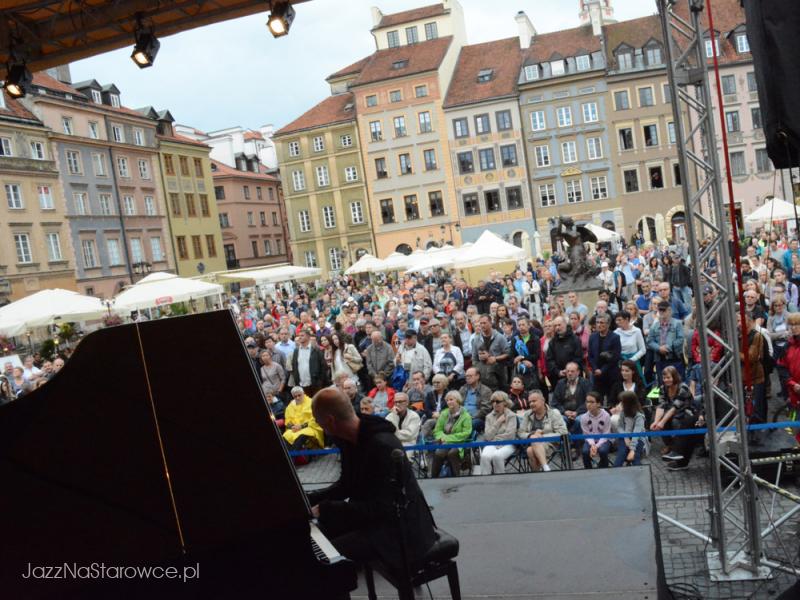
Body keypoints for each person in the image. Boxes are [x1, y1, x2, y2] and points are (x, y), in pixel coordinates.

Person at [307, 388, 436, 570]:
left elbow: (383, 509)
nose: (317, 424)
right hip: (378, 519)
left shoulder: (382, 446)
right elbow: (347, 485)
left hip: (403, 530)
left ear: (330, 420)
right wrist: (308, 499)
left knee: (324, 562)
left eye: (317, 420)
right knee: (319, 535)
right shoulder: (350, 438)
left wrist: (326, 508)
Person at [650, 366, 702, 470]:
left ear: (674, 377)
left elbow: (675, 407)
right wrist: (656, 421)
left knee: (673, 421)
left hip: (687, 413)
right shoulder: (662, 388)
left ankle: (679, 448)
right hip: (672, 413)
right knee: (663, 421)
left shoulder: (683, 387)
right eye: (664, 378)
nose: (666, 380)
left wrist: (662, 422)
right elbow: (661, 406)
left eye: (668, 377)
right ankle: (671, 446)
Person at [518, 390, 568, 472]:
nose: (531, 404)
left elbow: (563, 432)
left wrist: (542, 437)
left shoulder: (554, 413)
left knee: (532, 447)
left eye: (534, 401)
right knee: (530, 449)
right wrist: (530, 435)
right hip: (530, 444)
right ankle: (545, 468)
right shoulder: (527, 414)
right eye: (529, 402)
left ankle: (539, 472)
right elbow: (520, 433)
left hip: (550, 443)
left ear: (543, 400)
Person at [430, 391, 473, 477]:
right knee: (438, 453)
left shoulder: (466, 416)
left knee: (452, 453)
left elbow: (466, 433)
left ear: (458, 400)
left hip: (459, 443)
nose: (449, 402)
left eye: (451, 399)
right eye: (447, 400)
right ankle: (433, 478)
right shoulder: (444, 413)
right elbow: (437, 430)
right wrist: (442, 438)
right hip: (444, 442)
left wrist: (447, 438)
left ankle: (456, 477)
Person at [479, 391, 518, 475]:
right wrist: (498, 422)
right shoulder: (488, 417)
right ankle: (485, 479)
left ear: (505, 402)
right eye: (492, 401)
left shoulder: (511, 416)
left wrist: (494, 438)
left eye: (497, 401)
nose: (495, 404)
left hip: (508, 444)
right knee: (484, 456)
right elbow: (487, 436)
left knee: (497, 456)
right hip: (492, 443)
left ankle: (500, 479)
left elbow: (510, 435)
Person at [646, 301, 685, 383]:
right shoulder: (654, 325)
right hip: (660, 358)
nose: (661, 312)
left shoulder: (677, 323)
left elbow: (681, 339)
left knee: (677, 381)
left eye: (663, 310)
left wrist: (667, 348)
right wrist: (659, 348)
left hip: (675, 357)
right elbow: (649, 341)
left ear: (669, 310)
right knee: (662, 383)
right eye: (660, 310)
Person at [587, 313, 621, 405]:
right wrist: (595, 369)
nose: (599, 325)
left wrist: (602, 370)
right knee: (597, 400)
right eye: (597, 322)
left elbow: (615, 357)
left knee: (611, 401)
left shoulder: (615, 337)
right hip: (597, 375)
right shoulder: (592, 337)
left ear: (608, 324)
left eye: (602, 322)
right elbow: (590, 355)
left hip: (610, 374)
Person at [283, 386, 325, 452]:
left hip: (310, 427)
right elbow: (287, 421)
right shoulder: (290, 406)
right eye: (295, 396)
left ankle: (293, 455)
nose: (297, 398)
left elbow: (315, 419)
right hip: (294, 429)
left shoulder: (311, 402)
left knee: (301, 435)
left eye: (299, 395)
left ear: (303, 393)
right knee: (285, 436)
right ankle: (288, 455)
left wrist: (301, 426)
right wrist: (292, 427)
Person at [614, 391, 648, 467]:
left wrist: (632, 450)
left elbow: (636, 434)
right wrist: (625, 437)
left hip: (638, 439)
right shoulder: (623, 412)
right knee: (621, 455)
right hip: (625, 437)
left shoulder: (639, 416)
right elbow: (619, 426)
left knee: (635, 457)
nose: (620, 404)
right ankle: (615, 472)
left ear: (628, 403)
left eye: (622, 402)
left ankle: (639, 472)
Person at [292, 328, 328, 397]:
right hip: (301, 385)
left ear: (308, 337)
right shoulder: (296, 351)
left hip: (315, 385)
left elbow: (323, 366)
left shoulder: (316, 350)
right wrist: (296, 381)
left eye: (302, 335)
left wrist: (320, 382)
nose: (300, 337)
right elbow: (294, 366)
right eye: (299, 335)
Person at [580, 391, 612, 469]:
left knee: (603, 451)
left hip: (604, 439)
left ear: (598, 404)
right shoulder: (583, 417)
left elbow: (606, 434)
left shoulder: (606, 416)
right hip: (590, 440)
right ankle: (588, 470)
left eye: (592, 402)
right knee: (585, 452)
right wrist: (593, 445)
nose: (588, 404)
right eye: (587, 402)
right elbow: (586, 434)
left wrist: (596, 446)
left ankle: (603, 468)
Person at [458, 367, 493, 433]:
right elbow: (457, 404)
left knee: (470, 424)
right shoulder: (463, 389)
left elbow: (486, 409)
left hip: (477, 418)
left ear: (477, 376)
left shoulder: (486, 390)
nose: (467, 378)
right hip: (462, 416)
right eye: (466, 376)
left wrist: (471, 417)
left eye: (470, 376)